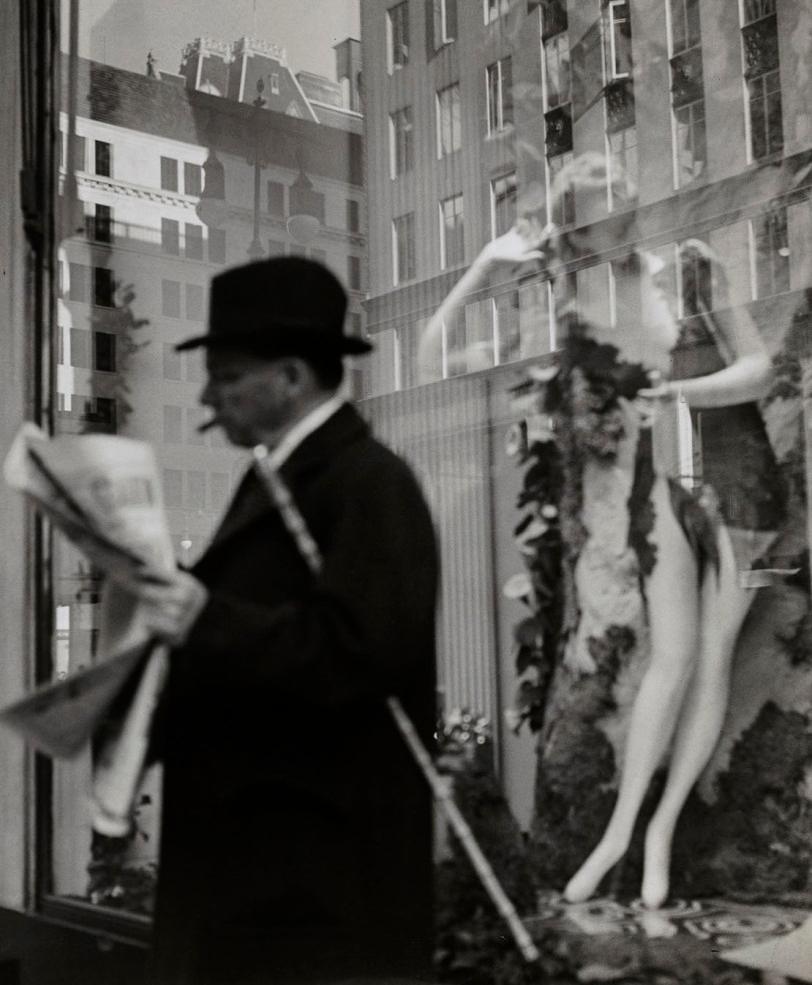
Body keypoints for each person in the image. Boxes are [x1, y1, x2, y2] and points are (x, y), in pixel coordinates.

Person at [418, 152, 785, 910]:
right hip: (657, 495)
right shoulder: (581, 305)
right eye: (587, 216)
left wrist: (673, 391)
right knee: (673, 659)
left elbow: (762, 369)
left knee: (706, 659)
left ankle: (654, 837)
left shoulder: (684, 270)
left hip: (733, 479)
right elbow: (433, 358)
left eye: (613, 202)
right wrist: (487, 258)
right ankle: (623, 834)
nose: (605, 220)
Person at [126, 256, 439, 984]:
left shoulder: (370, 483)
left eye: (228, 375)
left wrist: (207, 616)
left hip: (315, 888)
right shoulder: (280, 475)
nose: (209, 396)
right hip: (265, 874)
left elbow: (361, 651)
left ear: (292, 377)